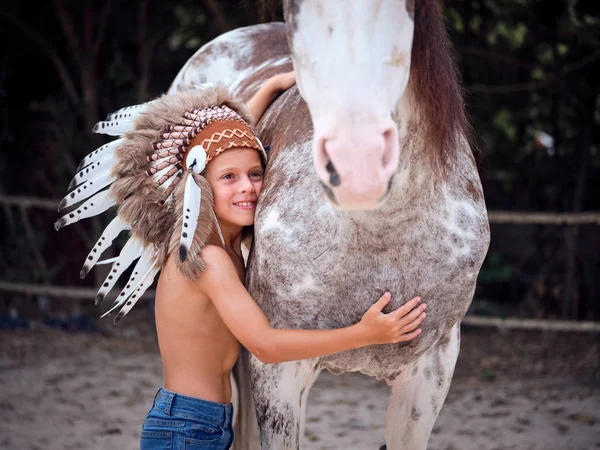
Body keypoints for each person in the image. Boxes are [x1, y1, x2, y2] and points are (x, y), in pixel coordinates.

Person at [55, 72, 427, 450]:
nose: (247, 186)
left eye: (255, 174)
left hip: (199, 424)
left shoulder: (227, 247)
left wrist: (268, 89)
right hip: (186, 427)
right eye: (229, 178)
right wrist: (364, 334)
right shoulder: (208, 259)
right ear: (198, 186)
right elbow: (264, 345)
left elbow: (224, 144)